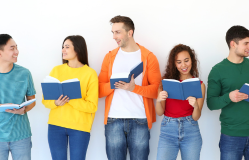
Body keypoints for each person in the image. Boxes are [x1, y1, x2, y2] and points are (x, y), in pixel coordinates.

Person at [207, 25, 249, 160]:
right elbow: (211, 103)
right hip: (231, 135)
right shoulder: (217, 70)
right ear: (233, 44)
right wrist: (229, 97)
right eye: (246, 43)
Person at [98, 15, 161, 160]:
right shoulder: (109, 57)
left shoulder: (148, 57)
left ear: (130, 33)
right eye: (113, 32)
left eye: (118, 32)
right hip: (114, 120)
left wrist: (134, 88)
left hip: (140, 120)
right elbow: (100, 91)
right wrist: (114, 84)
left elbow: (156, 91)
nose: (114, 36)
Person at [0, 34, 36, 160]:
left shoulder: (25, 73)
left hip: (21, 136)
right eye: (12, 48)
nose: (17, 52)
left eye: (16, 48)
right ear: (0, 53)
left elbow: (32, 101)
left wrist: (23, 110)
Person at [42, 35, 98, 160]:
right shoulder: (56, 70)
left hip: (80, 127)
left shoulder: (90, 73)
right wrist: (56, 103)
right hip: (55, 126)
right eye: (63, 47)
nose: (63, 50)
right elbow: (45, 100)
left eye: (67, 47)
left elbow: (92, 106)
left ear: (77, 49)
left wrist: (71, 99)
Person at [156, 44, 205, 160]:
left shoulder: (200, 85)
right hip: (168, 131)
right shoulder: (165, 83)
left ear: (192, 61)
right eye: (179, 62)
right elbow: (159, 112)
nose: (183, 65)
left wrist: (196, 106)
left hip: (191, 131)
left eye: (186, 60)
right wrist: (159, 100)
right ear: (174, 64)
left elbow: (196, 117)